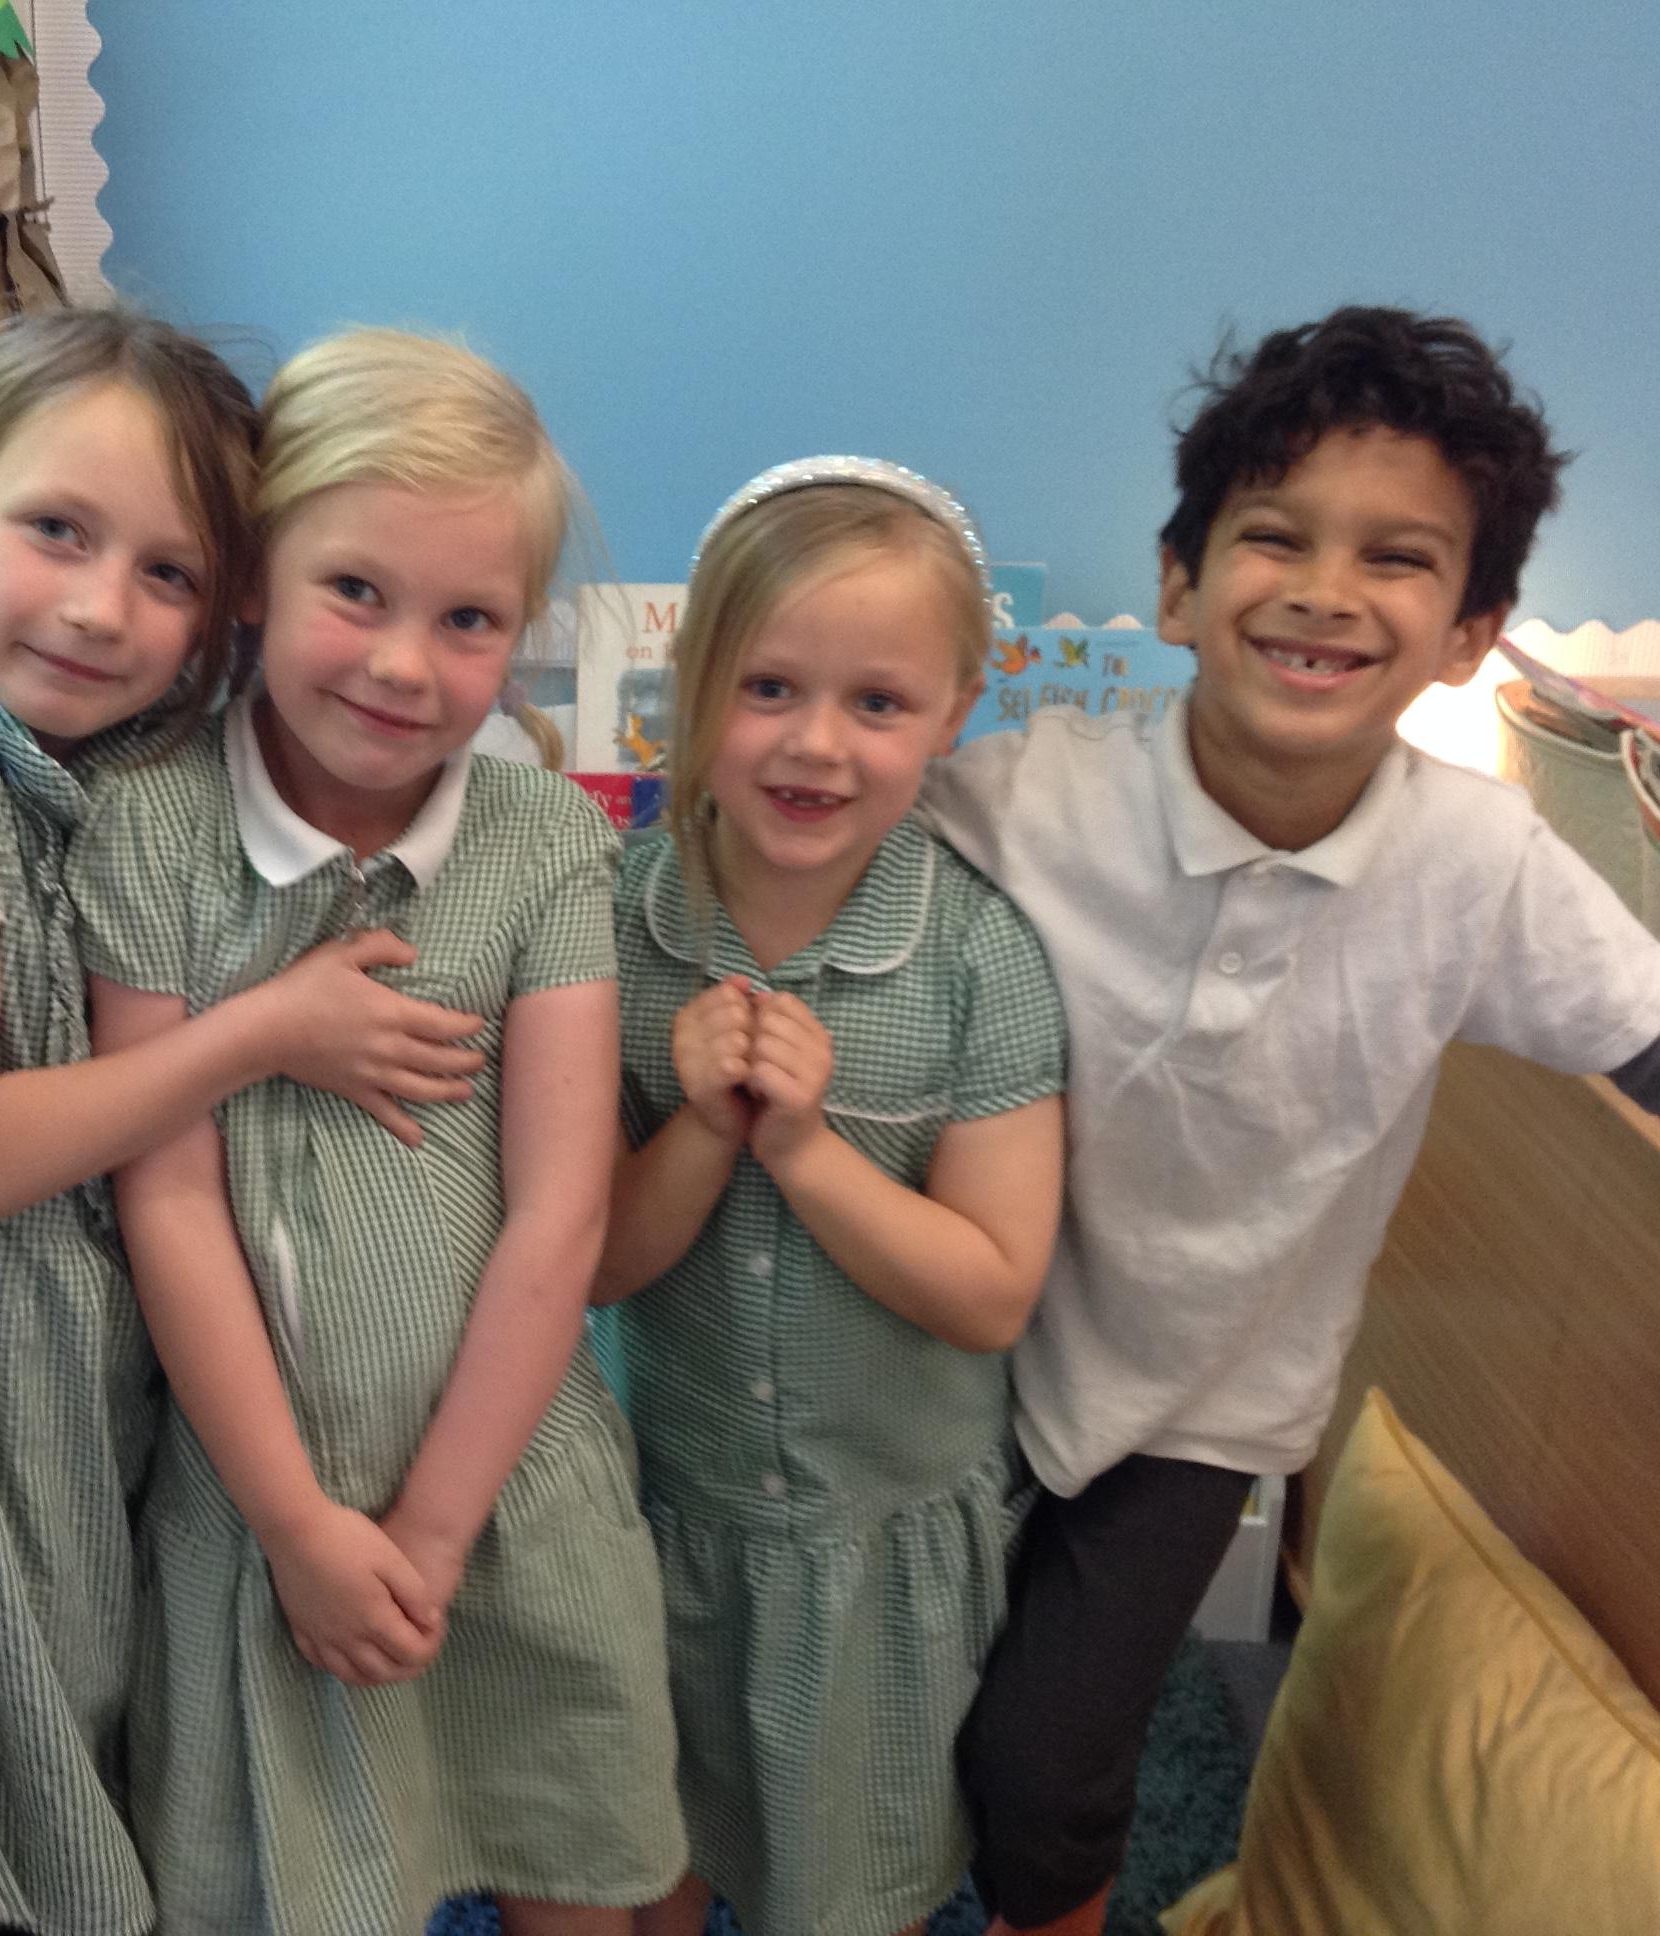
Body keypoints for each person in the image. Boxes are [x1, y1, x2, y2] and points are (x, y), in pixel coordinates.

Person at [919, 305, 1660, 1936]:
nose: (1327, 590)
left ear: (1471, 632)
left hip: (1203, 1399)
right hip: (956, 1331)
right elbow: (798, 841)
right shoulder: (1028, 796)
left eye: (1399, 560)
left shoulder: (1477, 866)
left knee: (1047, 1762)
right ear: (1179, 586)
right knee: (897, 1692)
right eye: (1275, 536)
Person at [0, 306, 488, 1935]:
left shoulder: (68, 735)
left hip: (49, 1336)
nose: (101, 609)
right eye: (56, 531)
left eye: (168, 574)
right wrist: (267, 1031)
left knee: (83, 1708)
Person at [79, 327, 685, 1936]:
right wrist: (299, 1525)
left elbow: (561, 1216)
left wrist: (434, 1525)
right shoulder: (151, 827)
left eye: (468, 620)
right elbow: (168, 1201)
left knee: (571, 1859)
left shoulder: (542, 842)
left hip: (509, 1476)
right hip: (263, 1495)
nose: (407, 667)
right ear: (257, 578)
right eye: (357, 591)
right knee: (303, 1885)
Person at [592, 457, 1067, 1936]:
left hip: (879, 1539)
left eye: (878, 703)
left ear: (955, 713)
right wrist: (702, 1131)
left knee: (851, 1884)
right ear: (694, 682)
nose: (815, 744)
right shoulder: (612, 921)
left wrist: (804, 1149)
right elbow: (593, 1261)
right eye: (768, 688)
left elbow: (992, 1294)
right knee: (649, 1845)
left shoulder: (980, 959)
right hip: (669, 1511)